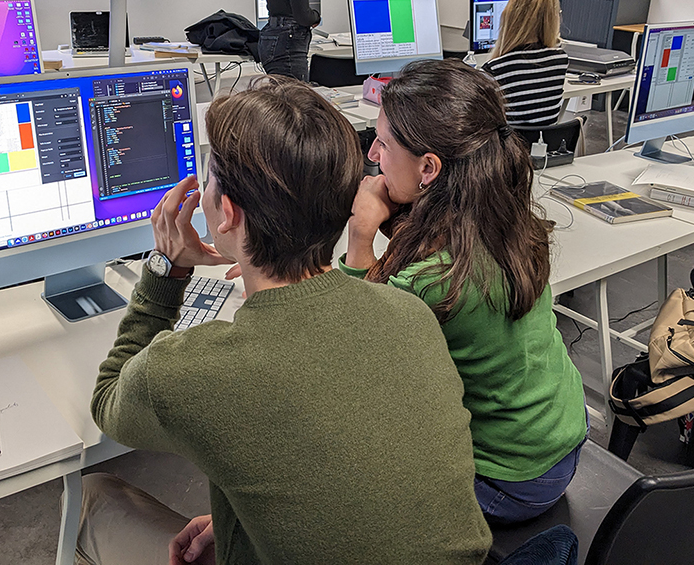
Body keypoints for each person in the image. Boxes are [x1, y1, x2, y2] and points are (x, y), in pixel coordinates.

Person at [79, 77, 491, 564]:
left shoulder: (189, 370)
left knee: (96, 497)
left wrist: (167, 269)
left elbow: (107, 400)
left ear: (226, 212)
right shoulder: (410, 314)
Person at [342, 59, 588, 524]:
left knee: (348, 454)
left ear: (429, 168)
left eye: (383, 143)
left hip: (508, 481)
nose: (372, 153)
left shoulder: (430, 281)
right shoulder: (508, 219)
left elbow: (357, 353)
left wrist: (360, 237)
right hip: (563, 433)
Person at [483, 0, 569, 127]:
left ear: (510, 16)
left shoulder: (494, 70)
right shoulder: (561, 60)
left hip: (508, 142)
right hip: (544, 140)